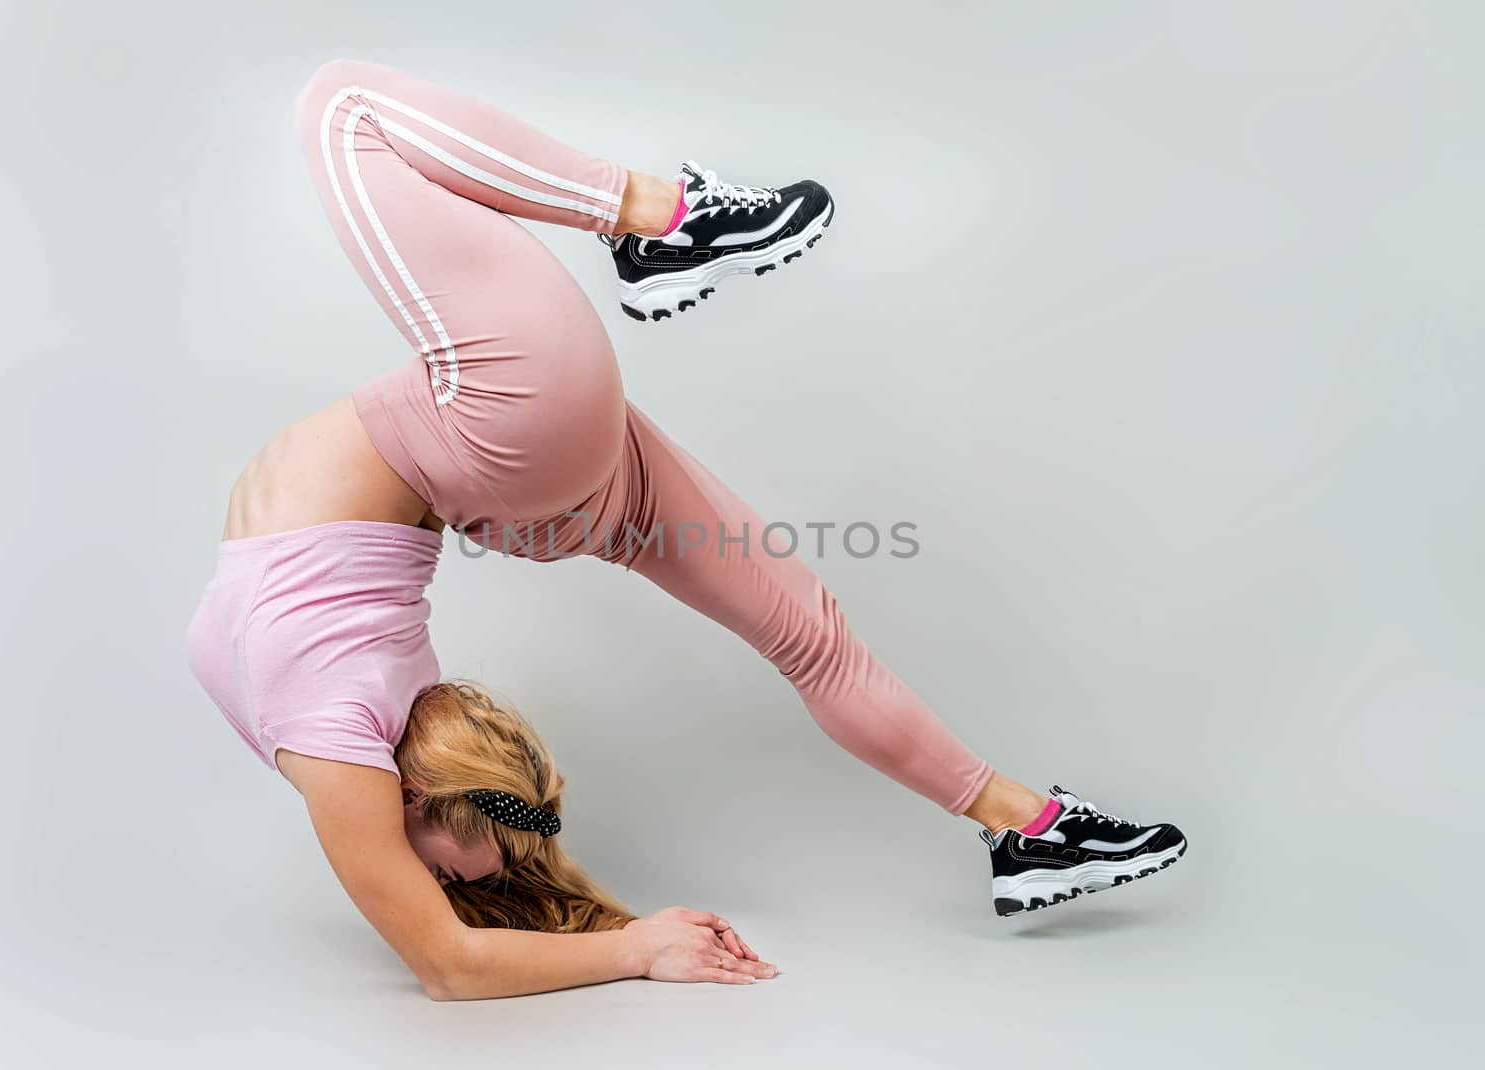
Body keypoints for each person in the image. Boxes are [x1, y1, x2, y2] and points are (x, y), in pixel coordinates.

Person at [186, 58, 1187, 1001]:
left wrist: (514, 892)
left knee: (812, 636)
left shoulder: (343, 741)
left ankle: (1021, 827)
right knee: (343, 106)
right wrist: (633, 946)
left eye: (480, 818)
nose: (505, 805)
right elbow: (446, 964)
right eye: (505, 824)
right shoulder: (347, 750)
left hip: (514, 473)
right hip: (501, 436)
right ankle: (659, 220)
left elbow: (451, 932)